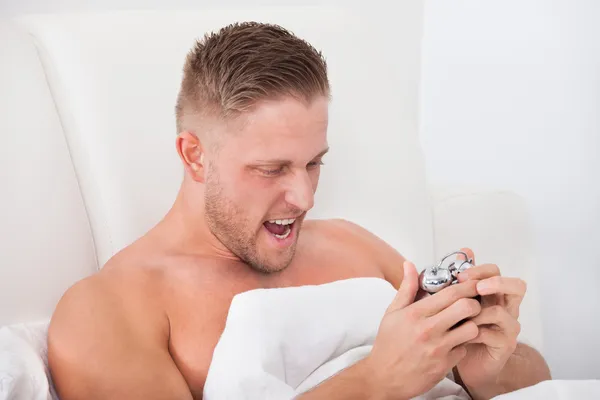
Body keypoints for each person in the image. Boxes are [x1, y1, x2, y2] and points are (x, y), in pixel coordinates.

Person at [47, 22, 551, 400]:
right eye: (272, 169)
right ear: (194, 155)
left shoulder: (350, 243)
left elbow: (541, 380)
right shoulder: (111, 308)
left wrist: (486, 369)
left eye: (314, 163)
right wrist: (375, 381)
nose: (305, 198)